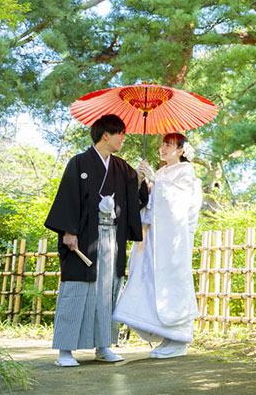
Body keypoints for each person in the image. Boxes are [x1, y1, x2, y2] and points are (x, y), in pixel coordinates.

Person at [45, 114, 148, 367]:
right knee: (77, 289)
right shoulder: (79, 163)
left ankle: (103, 346)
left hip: (112, 237)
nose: (123, 138)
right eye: (120, 134)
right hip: (84, 237)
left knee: (108, 291)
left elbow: (134, 202)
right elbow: (68, 198)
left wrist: (141, 180)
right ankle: (65, 351)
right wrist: (68, 231)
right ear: (106, 135)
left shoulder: (124, 169)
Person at [113, 132, 203, 359]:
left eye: (169, 145)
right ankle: (166, 336)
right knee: (151, 281)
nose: (163, 148)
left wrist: (157, 181)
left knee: (173, 283)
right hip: (154, 237)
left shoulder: (186, 172)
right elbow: (149, 204)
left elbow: (178, 202)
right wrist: (143, 183)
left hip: (174, 240)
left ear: (181, 150)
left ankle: (179, 338)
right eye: (162, 144)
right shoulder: (162, 172)